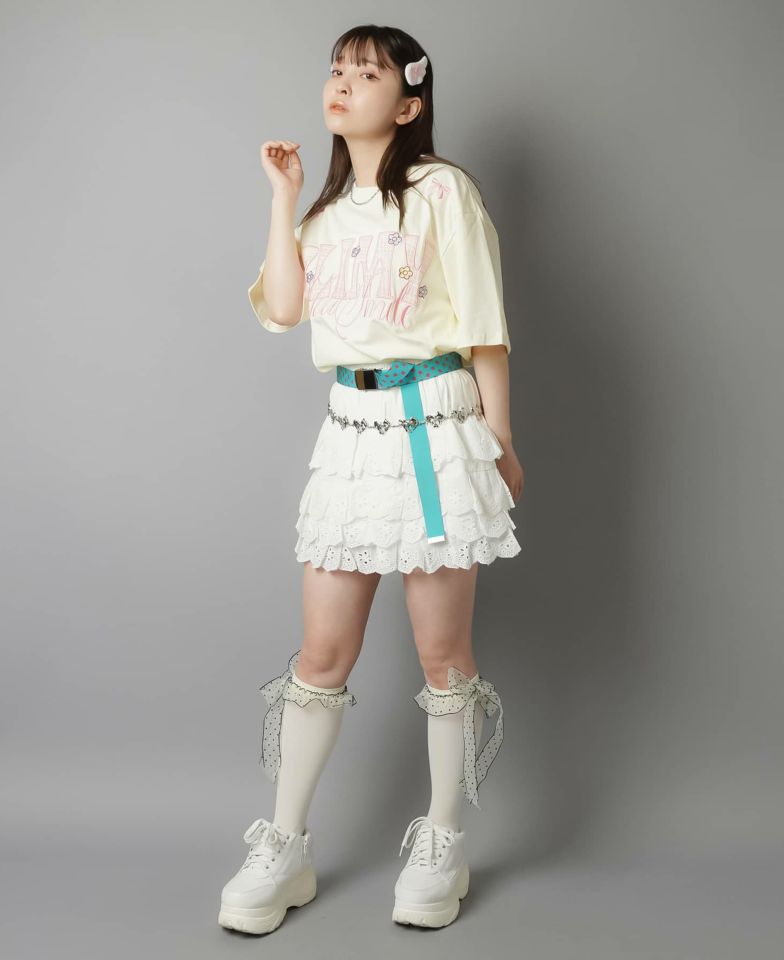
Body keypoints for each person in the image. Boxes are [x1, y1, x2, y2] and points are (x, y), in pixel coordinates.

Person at [218, 24, 525, 935]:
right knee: (321, 655)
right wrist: (283, 196)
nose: (343, 83)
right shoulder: (321, 215)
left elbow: (485, 324)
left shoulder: (443, 191)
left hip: (435, 429)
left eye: (367, 71)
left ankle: (442, 841)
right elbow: (283, 309)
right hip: (350, 436)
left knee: (443, 658)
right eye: (337, 69)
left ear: (409, 103)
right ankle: (285, 845)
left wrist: (501, 437)